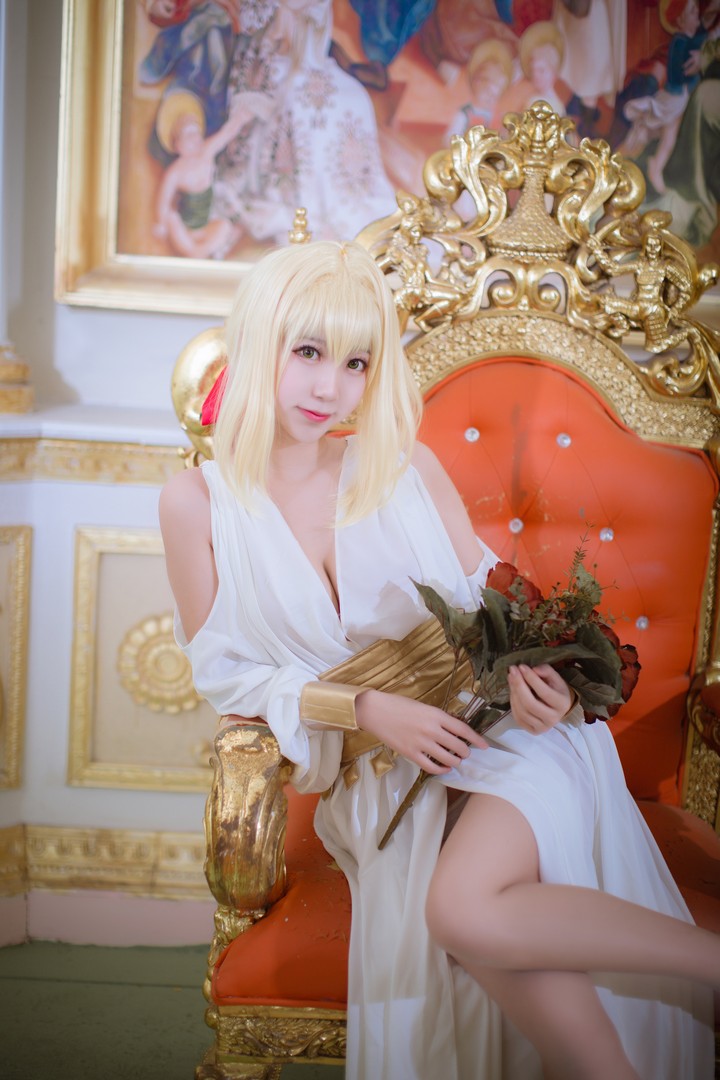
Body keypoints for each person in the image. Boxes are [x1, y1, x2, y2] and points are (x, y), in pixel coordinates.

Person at [159, 240, 716, 1080]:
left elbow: (502, 616)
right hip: (379, 781)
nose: (328, 388)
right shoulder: (196, 504)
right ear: (257, 340)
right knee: (478, 931)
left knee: (461, 913)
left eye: (355, 364)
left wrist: (549, 690)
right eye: (307, 352)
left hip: (506, 738)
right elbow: (227, 674)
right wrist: (364, 709)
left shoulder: (404, 468)